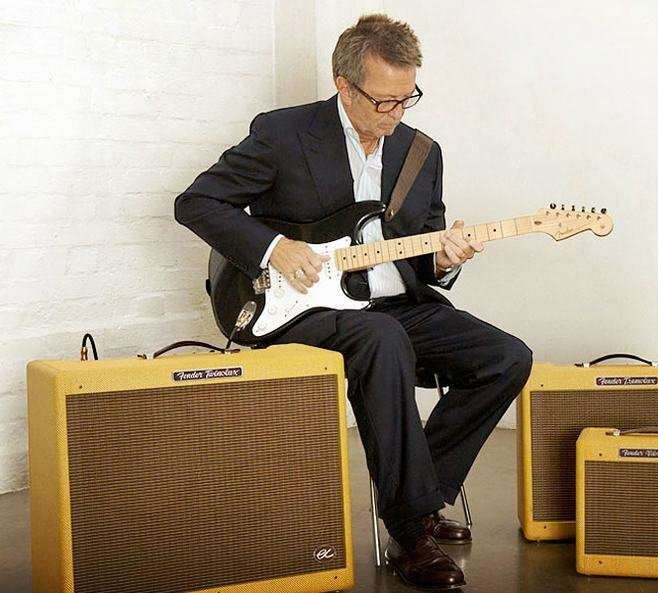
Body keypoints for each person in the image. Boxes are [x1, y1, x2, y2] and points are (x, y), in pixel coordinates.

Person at [175, 14, 532, 590]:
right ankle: (413, 529)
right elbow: (196, 203)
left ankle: (420, 495)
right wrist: (273, 247)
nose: (395, 115)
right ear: (345, 85)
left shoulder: (422, 153)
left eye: (406, 99)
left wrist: (445, 259)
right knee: (381, 339)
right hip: (296, 309)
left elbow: (423, 249)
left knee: (507, 356)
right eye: (382, 101)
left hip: (394, 305)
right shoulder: (284, 134)